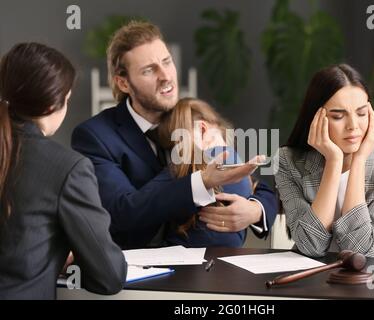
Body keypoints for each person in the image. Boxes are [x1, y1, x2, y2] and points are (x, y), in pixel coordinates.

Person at [71, 21, 277, 249]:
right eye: (149, 70)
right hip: (137, 273)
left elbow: (256, 184)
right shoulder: (95, 136)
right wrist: (193, 165)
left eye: (167, 62)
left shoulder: (189, 116)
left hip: (208, 268)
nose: (166, 76)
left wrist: (255, 211)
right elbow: (122, 212)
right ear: (124, 83)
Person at [0, 43, 127, 299]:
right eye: (66, 100)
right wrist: (67, 256)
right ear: (50, 107)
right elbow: (109, 276)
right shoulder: (69, 168)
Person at [274, 64, 374, 262]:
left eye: (361, 113)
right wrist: (334, 162)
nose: (353, 126)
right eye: (338, 116)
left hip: (373, 281)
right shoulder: (287, 161)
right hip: (310, 280)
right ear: (315, 118)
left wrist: (359, 160)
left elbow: (359, 248)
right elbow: (310, 246)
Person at [158, 97, 259, 247]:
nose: (176, 157)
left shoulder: (214, 159)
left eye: (178, 146)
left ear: (203, 130)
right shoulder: (239, 166)